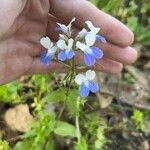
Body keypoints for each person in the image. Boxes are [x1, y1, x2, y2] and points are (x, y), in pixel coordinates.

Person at [0, 0, 137, 85]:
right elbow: (63, 50)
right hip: (68, 47)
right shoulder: (64, 48)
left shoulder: (82, 45)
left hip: (78, 47)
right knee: (58, 57)